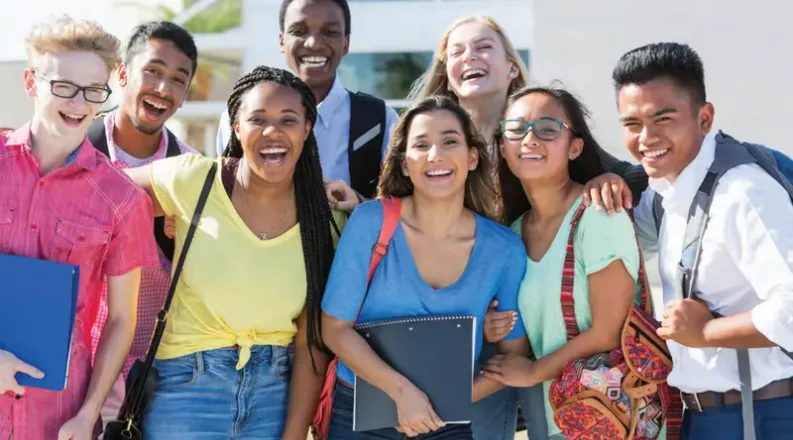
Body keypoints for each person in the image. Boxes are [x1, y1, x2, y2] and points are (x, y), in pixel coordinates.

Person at [124, 65, 345, 438]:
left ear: (307, 129)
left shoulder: (324, 219)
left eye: (288, 120)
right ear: (237, 127)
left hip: (275, 391)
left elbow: (312, 344)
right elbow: (99, 199)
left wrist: (293, 434)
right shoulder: (192, 179)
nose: (272, 132)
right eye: (257, 118)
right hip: (185, 386)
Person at [321, 95, 530, 440]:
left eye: (450, 141)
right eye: (421, 145)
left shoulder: (504, 249)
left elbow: (511, 356)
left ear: (472, 157)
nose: (436, 156)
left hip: (447, 424)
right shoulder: (370, 222)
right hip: (358, 414)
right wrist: (402, 394)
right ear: (405, 164)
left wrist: (437, 406)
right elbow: (335, 329)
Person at [614, 42, 793, 439]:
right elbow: (624, 231)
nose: (647, 137)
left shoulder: (743, 191)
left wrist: (707, 333)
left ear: (705, 117)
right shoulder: (669, 193)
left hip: (763, 415)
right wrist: (605, 182)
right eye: (632, 124)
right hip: (702, 416)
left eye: (663, 118)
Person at [0, 16, 158, 439]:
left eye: (93, 90)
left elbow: (122, 320)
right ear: (32, 83)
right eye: (63, 86)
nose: (78, 102)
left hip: (58, 414)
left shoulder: (122, 200)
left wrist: (89, 413)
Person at [481, 85, 644, 440]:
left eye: (547, 129)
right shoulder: (511, 233)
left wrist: (533, 371)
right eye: (516, 129)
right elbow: (527, 336)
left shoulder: (600, 216)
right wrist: (496, 325)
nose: (530, 139)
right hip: (553, 419)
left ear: (575, 147)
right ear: (503, 147)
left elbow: (608, 331)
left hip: (613, 419)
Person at [87, 21, 201, 430]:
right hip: (73, 362)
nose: (163, 89)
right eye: (152, 71)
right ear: (122, 73)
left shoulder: (192, 174)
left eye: (177, 80)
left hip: (152, 374)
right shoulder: (77, 151)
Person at [215, 0, 399, 206]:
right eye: (299, 31)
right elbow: (224, 199)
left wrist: (359, 203)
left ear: (346, 43)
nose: (313, 43)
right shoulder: (241, 117)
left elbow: (403, 210)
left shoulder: (379, 120)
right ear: (281, 40)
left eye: (330, 32)